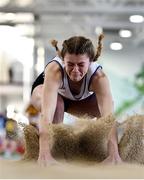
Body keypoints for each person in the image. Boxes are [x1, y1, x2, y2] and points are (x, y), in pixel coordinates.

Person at [30, 34, 122, 166]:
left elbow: (109, 119)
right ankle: (52, 151)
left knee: (105, 109)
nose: (75, 70)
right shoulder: (54, 70)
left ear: (90, 62)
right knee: (57, 105)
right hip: (46, 94)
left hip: (76, 102)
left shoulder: (99, 78)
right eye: (70, 64)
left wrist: (114, 154)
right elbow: (47, 114)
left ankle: (101, 150)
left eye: (81, 65)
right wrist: (43, 151)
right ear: (63, 60)